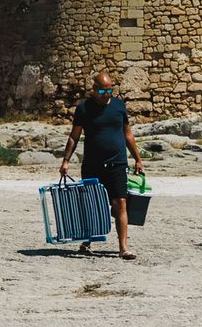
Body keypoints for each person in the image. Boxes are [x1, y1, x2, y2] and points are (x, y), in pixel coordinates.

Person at [59, 72, 144, 260]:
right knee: (92, 205)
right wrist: (66, 160)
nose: (107, 93)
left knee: (120, 202)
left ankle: (123, 248)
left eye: (110, 89)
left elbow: (127, 134)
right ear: (94, 89)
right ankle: (87, 241)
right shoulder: (83, 109)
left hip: (118, 163)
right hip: (92, 164)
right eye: (103, 90)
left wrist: (138, 159)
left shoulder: (119, 106)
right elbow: (74, 136)